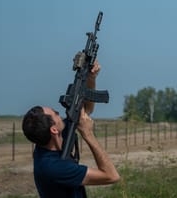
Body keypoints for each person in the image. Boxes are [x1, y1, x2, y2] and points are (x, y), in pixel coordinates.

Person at [22, 60, 120, 198]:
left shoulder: (45, 145)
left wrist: (90, 78)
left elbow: (86, 111)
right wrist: (88, 134)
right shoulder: (54, 167)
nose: (59, 115)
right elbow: (112, 176)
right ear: (54, 130)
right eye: (56, 114)